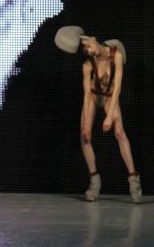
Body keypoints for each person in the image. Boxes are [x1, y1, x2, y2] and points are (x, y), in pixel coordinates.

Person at [55, 26, 142, 203]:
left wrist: (109, 117)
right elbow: (87, 95)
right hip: (94, 97)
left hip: (110, 97)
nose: (88, 50)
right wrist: (87, 123)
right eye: (85, 50)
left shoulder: (116, 55)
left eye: (88, 45)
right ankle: (94, 181)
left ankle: (134, 181)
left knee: (119, 132)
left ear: (93, 38)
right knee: (85, 136)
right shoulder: (87, 66)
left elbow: (117, 88)